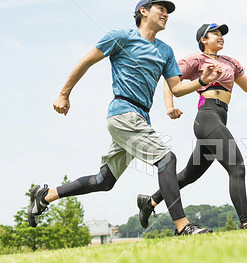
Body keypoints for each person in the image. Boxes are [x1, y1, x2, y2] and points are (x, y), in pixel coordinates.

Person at [27, 1, 223, 236]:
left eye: (168, 11)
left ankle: (45, 196)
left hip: (141, 117)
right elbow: (86, 61)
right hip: (123, 112)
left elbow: (177, 88)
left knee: (104, 180)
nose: (166, 14)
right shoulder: (121, 36)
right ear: (143, 11)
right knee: (166, 159)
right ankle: (183, 226)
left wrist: (202, 80)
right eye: (161, 8)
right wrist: (63, 93)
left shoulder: (166, 51)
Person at [138, 23, 247, 229]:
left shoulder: (230, 61)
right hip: (207, 117)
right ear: (203, 39)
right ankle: (246, 223)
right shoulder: (195, 59)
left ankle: (150, 202)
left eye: (222, 34)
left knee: (188, 175)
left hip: (220, 116)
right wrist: (169, 106)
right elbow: (170, 80)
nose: (220, 37)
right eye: (215, 34)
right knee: (237, 166)